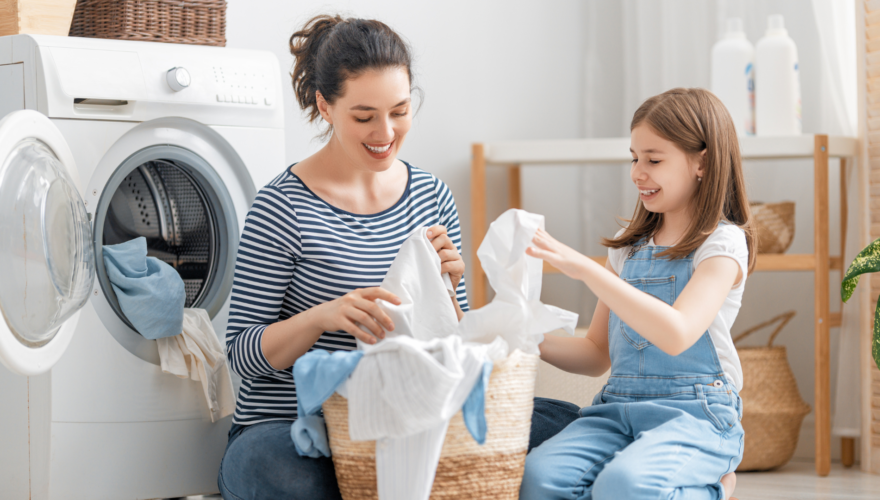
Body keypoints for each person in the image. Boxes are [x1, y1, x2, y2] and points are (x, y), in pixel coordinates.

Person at [216, 15, 468, 499]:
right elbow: (242, 356)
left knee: (549, 427)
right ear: (325, 106)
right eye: (364, 115)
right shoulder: (282, 206)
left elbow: (457, 346)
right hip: (287, 425)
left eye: (399, 110)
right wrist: (322, 317)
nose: (386, 132)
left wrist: (450, 295)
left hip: (397, 418)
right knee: (290, 480)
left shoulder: (431, 196)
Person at [520, 88, 754, 500]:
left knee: (624, 485)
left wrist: (588, 271)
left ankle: (714, 489)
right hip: (617, 407)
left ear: (702, 162)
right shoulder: (628, 250)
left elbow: (678, 332)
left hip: (695, 413)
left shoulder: (722, 245)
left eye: (654, 160)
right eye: (634, 157)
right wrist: (522, 337)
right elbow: (595, 355)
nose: (637, 172)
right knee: (539, 478)